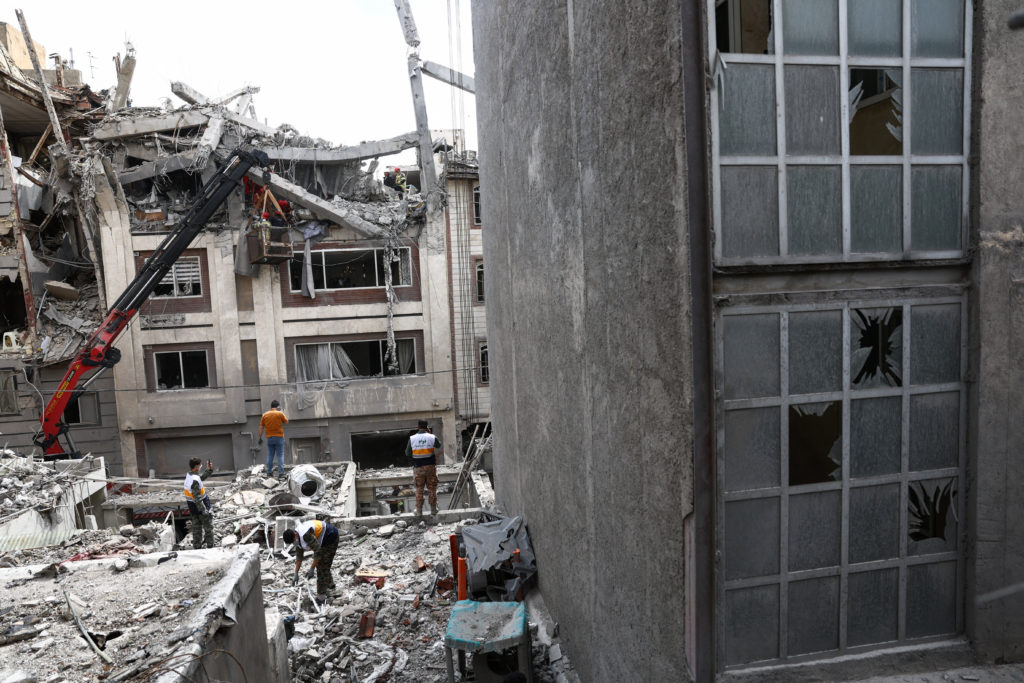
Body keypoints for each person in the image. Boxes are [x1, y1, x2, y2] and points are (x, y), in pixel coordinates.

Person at [282, 519, 339, 600]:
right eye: (292, 542)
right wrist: (296, 573)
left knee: (321, 567)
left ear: (295, 534)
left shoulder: (305, 535)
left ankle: (321, 596)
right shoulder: (297, 539)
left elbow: (318, 551)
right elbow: (299, 557)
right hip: (322, 541)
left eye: (293, 540)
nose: (294, 543)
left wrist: (312, 569)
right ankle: (330, 585)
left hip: (331, 537)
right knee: (322, 564)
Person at [406, 419, 442, 517]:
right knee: (432, 488)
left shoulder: (412, 438)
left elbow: (407, 453)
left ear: (418, 427)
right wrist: (430, 435)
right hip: (430, 467)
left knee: (419, 490)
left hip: (418, 468)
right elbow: (438, 445)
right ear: (427, 427)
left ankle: (419, 511)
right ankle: (434, 510)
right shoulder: (431, 437)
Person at [183, 457, 215, 549]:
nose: (201, 466)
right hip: (200, 507)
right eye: (200, 465)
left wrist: (209, 470)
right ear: (196, 466)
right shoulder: (194, 480)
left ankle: (197, 547)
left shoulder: (189, 476)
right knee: (208, 528)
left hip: (193, 507)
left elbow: (200, 478)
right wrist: (204, 509)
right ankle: (210, 547)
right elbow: (197, 497)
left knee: (197, 529)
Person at [258, 400, 288, 478]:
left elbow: (261, 427)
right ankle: (281, 473)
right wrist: (281, 412)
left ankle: (269, 472)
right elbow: (286, 421)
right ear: (277, 406)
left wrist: (260, 437)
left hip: (269, 438)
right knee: (280, 455)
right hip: (279, 437)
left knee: (270, 455)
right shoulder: (279, 413)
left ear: (271, 406)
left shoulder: (265, 415)